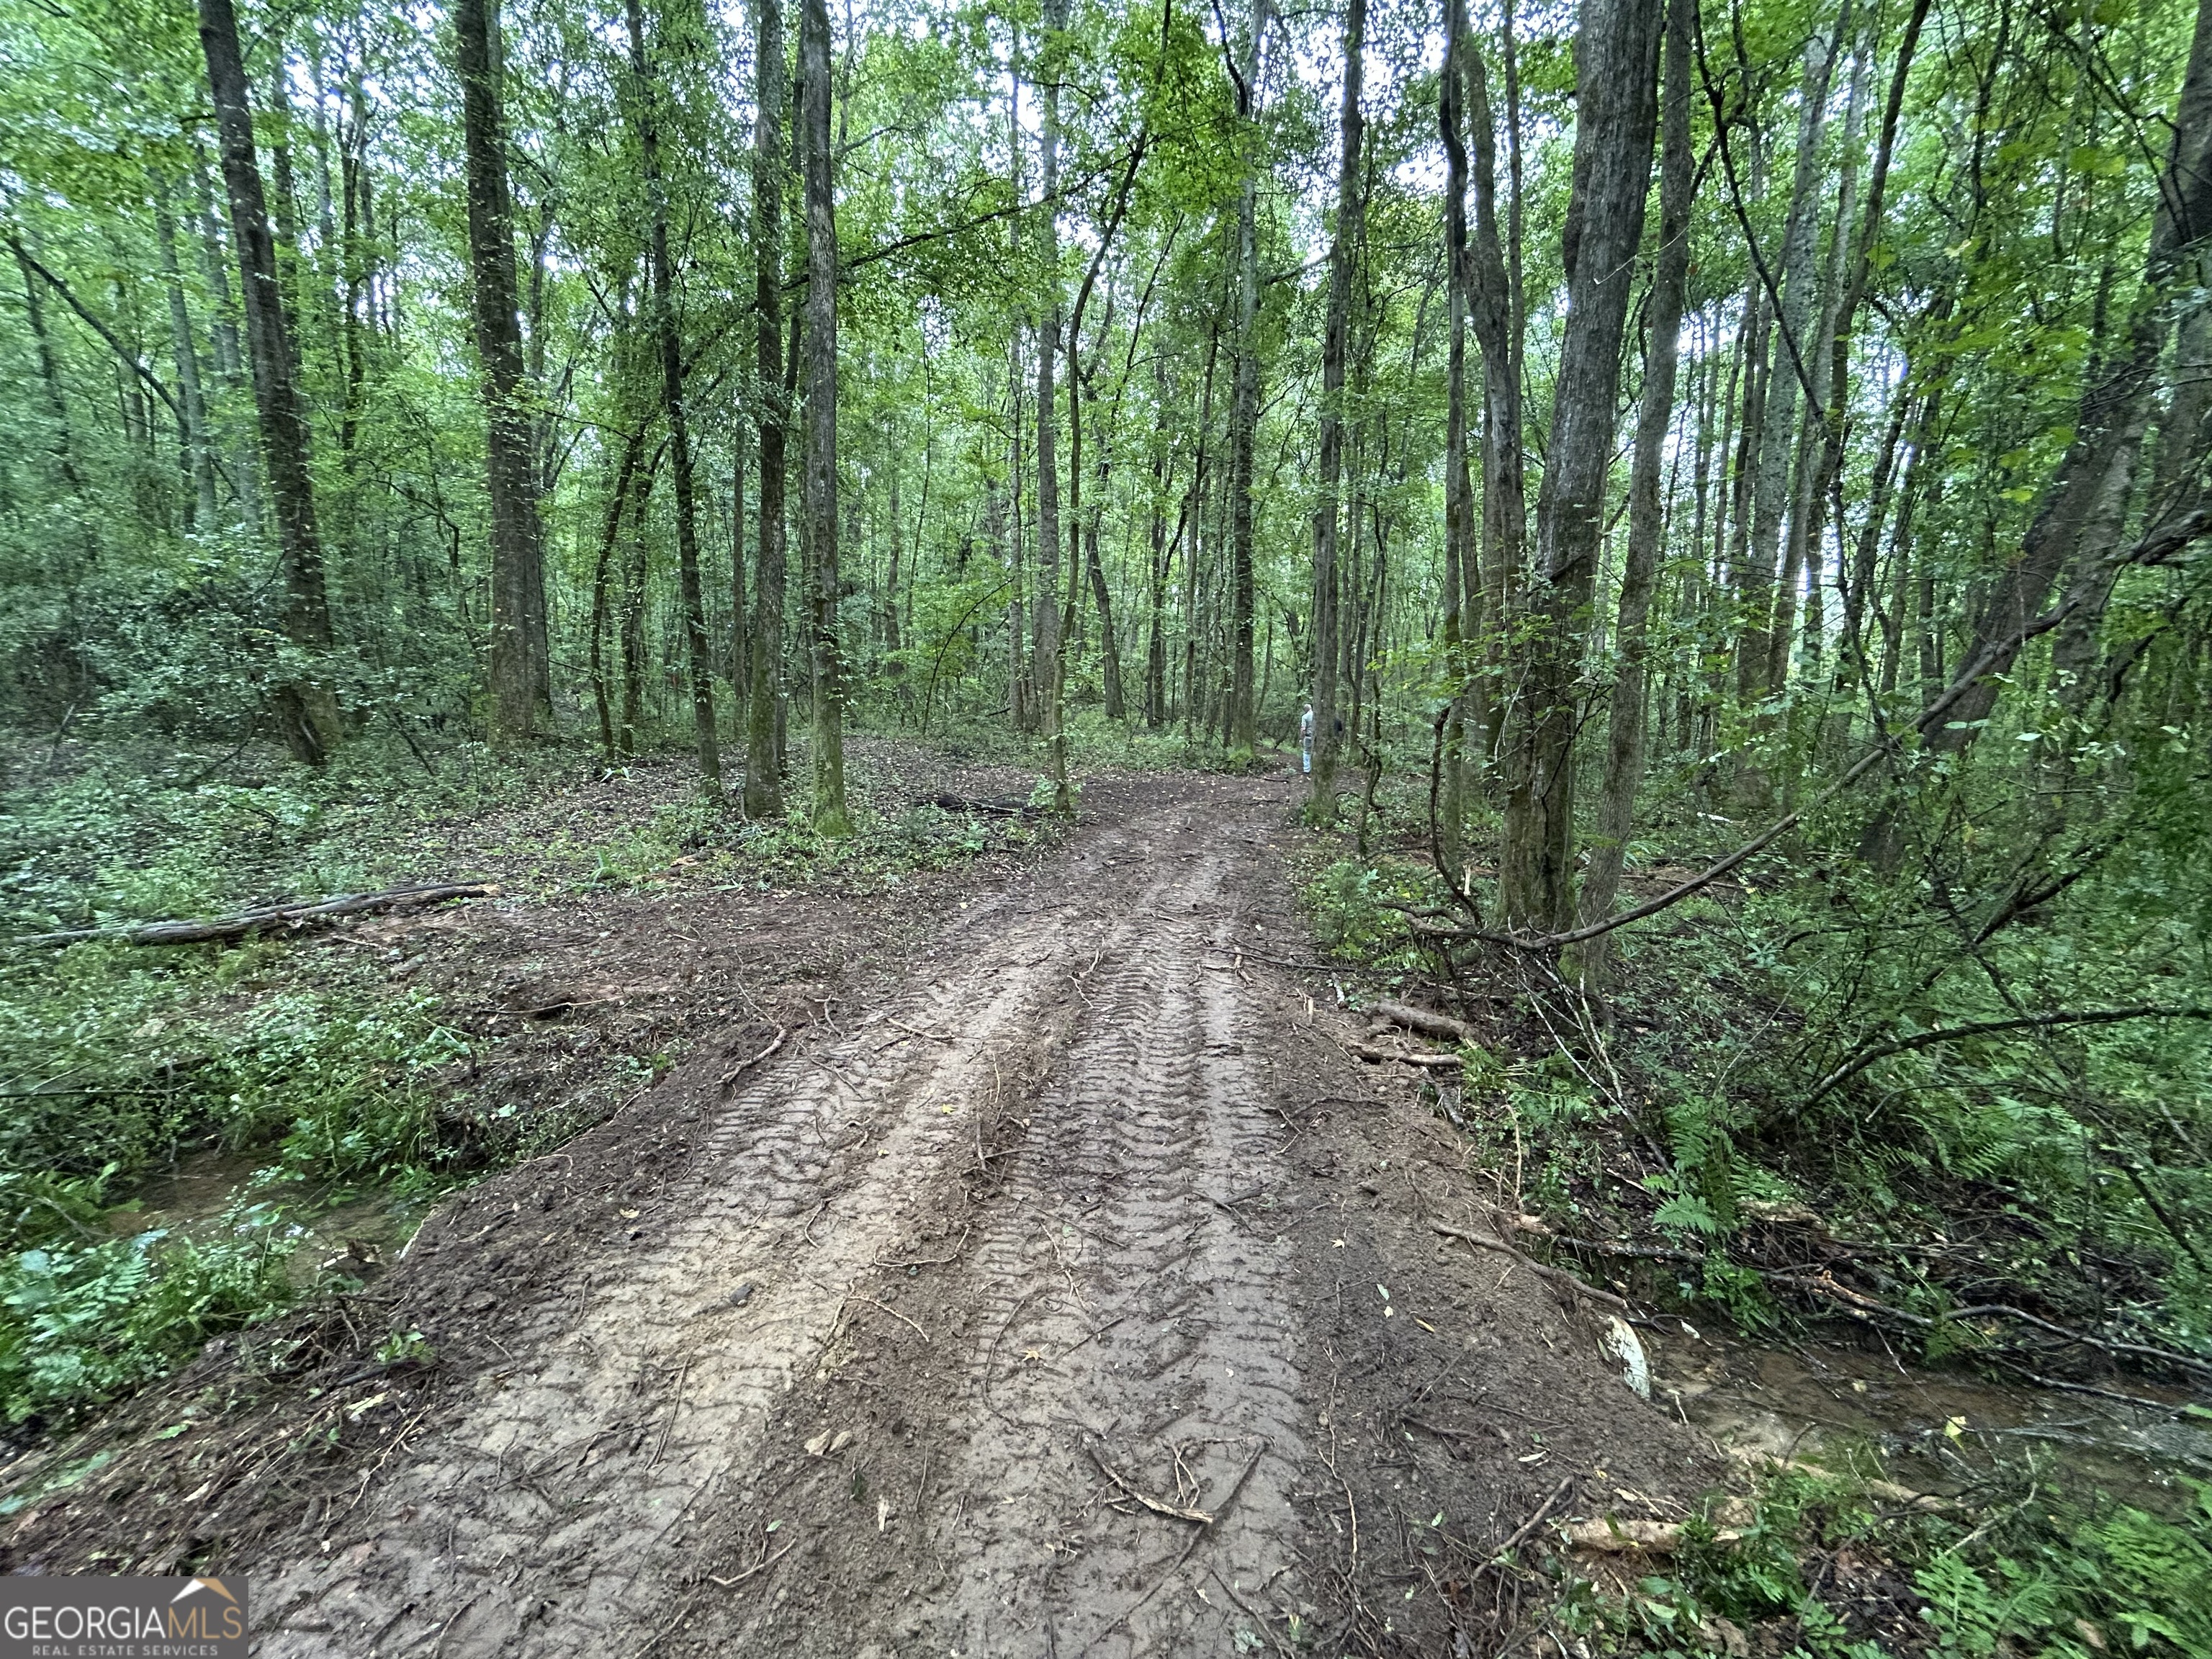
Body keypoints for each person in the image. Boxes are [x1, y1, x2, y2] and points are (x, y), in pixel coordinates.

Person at [1299, 703, 1315, 774]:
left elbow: (1303, 729)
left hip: (1308, 736)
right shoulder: (1317, 716)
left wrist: (1302, 738)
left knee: (1306, 752)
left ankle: (1307, 769)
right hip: (1317, 737)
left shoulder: (1305, 717)